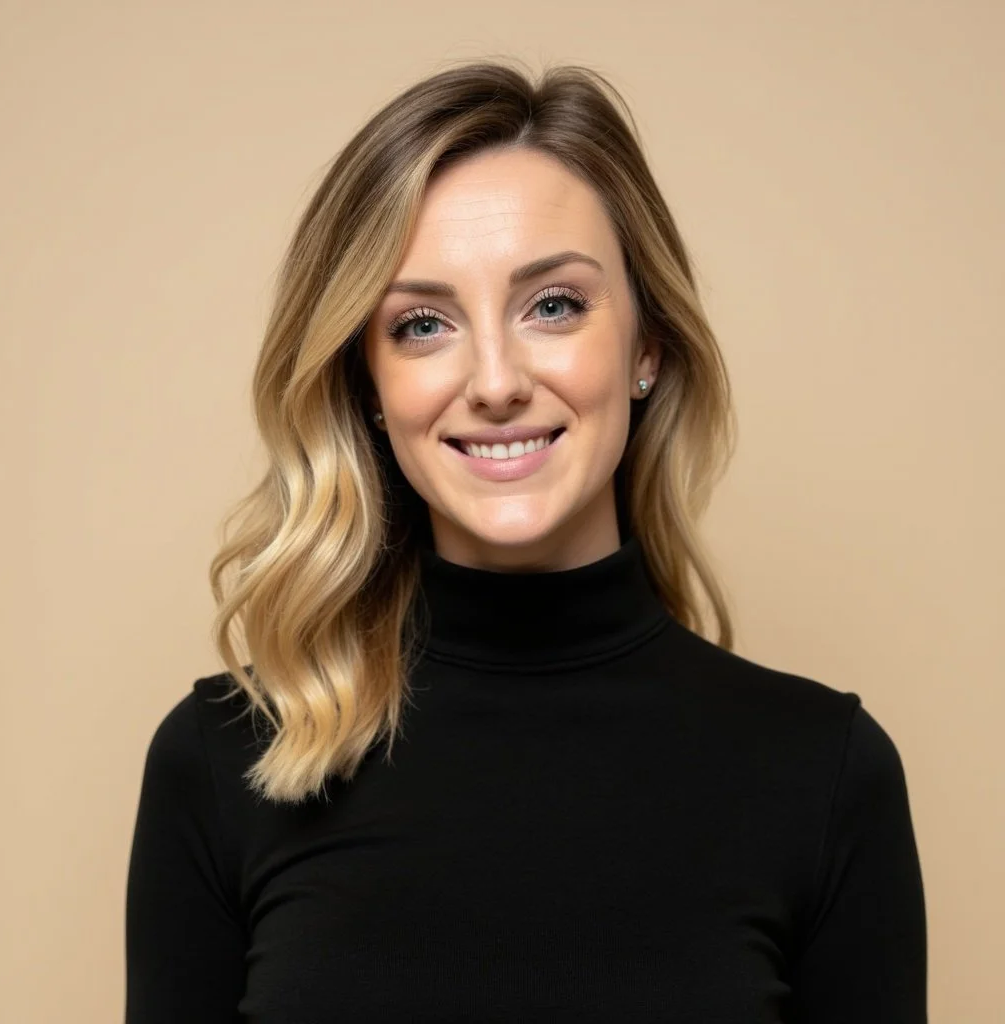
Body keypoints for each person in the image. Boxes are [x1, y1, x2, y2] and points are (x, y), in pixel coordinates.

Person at [124, 60, 927, 1023]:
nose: (496, 380)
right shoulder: (223, 764)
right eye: (422, 324)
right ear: (368, 389)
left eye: (553, 305)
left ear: (646, 346)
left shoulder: (824, 775)